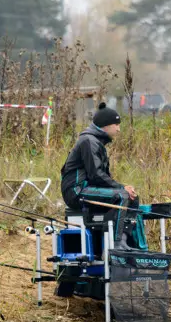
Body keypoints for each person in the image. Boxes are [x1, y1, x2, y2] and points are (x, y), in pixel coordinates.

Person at [60, 102, 141, 250]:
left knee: (132, 197)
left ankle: (126, 240)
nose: (119, 129)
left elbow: (103, 177)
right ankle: (116, 246)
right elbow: (96, 174)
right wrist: (122, 188)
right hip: (76, 191)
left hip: (88, 188)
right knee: (122, 195)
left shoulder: (97, 142)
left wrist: (124, 188)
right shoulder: (89, 141)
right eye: (116, 125)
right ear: (106, 125)